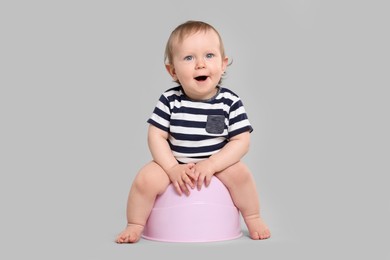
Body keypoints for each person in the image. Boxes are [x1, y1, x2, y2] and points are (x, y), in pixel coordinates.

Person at [116, 20, 271, 243]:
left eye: (209, 55)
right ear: (173, 70)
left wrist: (213, 164)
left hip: (216, 165)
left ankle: (253, 216)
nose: (200, 64)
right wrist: (170, 168)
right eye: (189, 58)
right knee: (145, 180)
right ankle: (135, 224)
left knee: (241, 175)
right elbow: (156, 135)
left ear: (223, 63)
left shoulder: (229, 102)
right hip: (176, 163)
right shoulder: (169, 100)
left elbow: (241, 141)